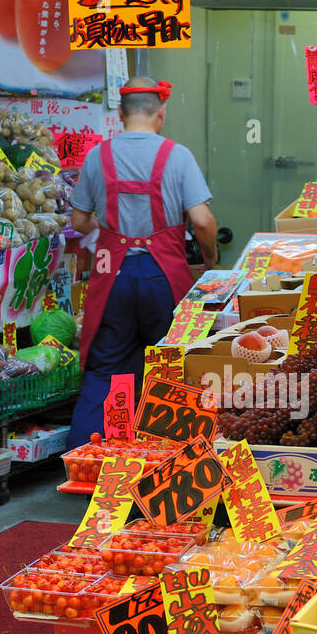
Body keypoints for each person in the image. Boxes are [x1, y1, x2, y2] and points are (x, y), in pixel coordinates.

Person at [65, 76, 218, 450]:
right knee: (171, 370)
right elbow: (202, 220)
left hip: (111, 276)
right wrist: (211, 260)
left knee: (105, 369)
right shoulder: (177, 156)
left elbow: (79, 222)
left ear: (120, 113)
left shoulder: (97, 156)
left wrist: (106, 226)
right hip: (163, 277)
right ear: (160, 114)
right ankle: (172, 457)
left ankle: (85, 461)